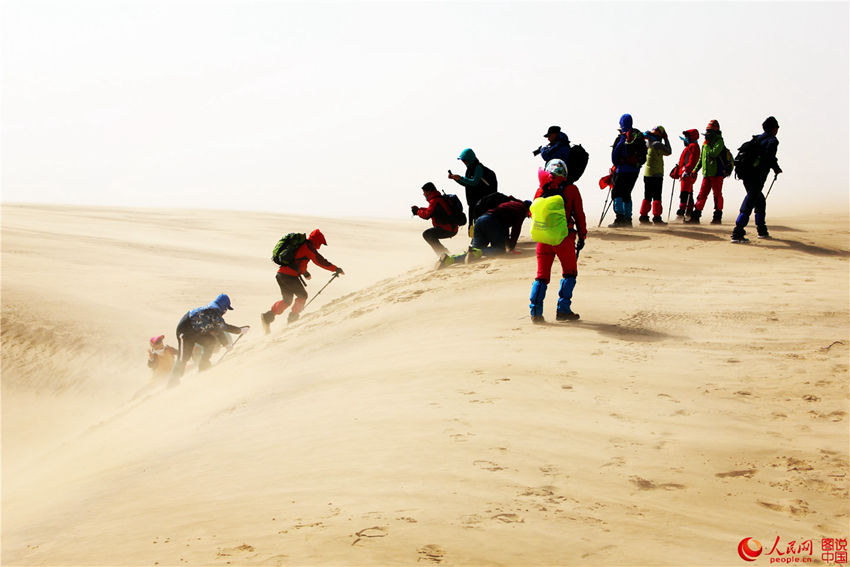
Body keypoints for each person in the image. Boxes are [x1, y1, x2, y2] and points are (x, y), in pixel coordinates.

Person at [529, 159, 587, 323]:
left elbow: (532, 213)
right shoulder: (571, 189)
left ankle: (535, 312)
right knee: (570, 273)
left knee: (541, 276)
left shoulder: (540, 189)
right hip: (564, 238)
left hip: (543, 238)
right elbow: (579, 215)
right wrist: (582, 236)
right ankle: (563, 310)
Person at [261, 229, 344, 333]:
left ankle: (267, 317)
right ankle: (292, 321)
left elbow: (299, 261)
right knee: (302, 296)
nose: (320, 246)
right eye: (320, 243)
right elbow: (319, 260)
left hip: (281, 275)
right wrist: (335, 269)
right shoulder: (308, 247)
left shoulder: (302, 245)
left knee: (287, 300)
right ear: (317, 241)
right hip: (289, 276)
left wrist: (305, 273)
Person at [169, 293, 248, 383]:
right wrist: (239, 331)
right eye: (226, 308)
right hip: (185, 331)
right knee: (184, 357)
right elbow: (223, 326)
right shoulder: (212, 311)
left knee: (210, 341)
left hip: (196, 332)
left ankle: (203, 365)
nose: (226, 311)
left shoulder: (214, 313)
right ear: (223, 307)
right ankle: (173, 381)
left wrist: (226, 344)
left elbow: (218, 330)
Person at [731, 116, 782, 243]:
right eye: (777, 127)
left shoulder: (757, 139)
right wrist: (776, 168)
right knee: (750, 202)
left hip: (745, 174)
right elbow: (769, 157)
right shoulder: (772, 141)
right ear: (774, 129)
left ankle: (762, 230)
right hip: (757, 176)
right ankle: (737, 232)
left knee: (759, 201)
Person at [686, 120, 728, 224]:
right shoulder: (705, 144)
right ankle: (696, 216)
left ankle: (717, 217)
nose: (707, 134)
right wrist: (695, 170)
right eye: (707, 131)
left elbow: (714, 153)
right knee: (702, 194)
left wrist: (707, 146)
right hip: (707, 173)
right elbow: (701, 160)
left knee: (717, 195)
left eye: (709, 132)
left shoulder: (719, 141)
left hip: (717, 173)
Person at [608, 114, 646, 227]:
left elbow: (614, 158)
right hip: (634, 171)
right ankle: (628, 219)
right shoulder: (638, 137)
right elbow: (644, 157)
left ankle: (620, 218)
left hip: (622, 170)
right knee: (627, 194)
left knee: (616, 193)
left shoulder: (621, 138)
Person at [448, 148, 497, 225]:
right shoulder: (469, 169)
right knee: (472, 227)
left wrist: (460, 178)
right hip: (473, 204)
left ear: (469, 158)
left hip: (482, 205)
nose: (463, 162)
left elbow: (474, 182)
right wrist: (456, 179)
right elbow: (467, 184)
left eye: (464, 160)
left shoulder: (478, 167)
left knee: (479, 226)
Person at [411, 182, 459, 257]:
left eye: (424, 192)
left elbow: (427, 215)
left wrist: (417, 211)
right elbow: (431, 210)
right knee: (429, 234)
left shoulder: (435, 201)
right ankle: (444, 253)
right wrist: (419, 209)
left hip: (448, 228)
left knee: (427, 234)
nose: (423, 194)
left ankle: (443, 254)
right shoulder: (438, 199)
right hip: (451, 227)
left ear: (429, 191)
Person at [639, 126, 672, 225]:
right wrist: (666, 139)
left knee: (647, 196)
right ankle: (657, 218)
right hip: (656, 174)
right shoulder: (657, 144)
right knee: (657, 196)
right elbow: (669, 151)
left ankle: (643, 216)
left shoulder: (647, 143)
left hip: (647, 174)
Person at [671, 129, 701, 219]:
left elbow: (692, 161)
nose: (684, 140)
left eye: (685, 138)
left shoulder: (693, 146)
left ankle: (681, 214)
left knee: (684, 194)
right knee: (689, 194)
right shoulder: (691, 146)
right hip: (688, 173)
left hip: (687, 174)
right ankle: (689, 213)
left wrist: (686, 171)